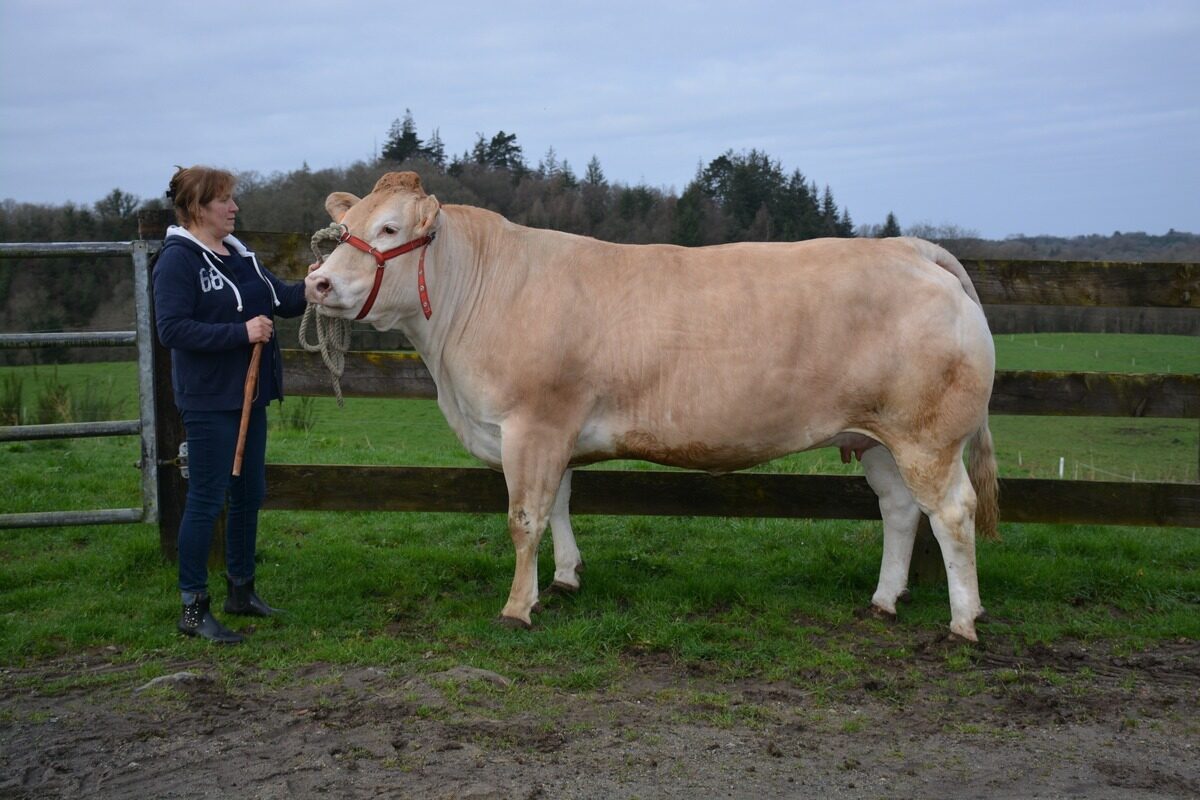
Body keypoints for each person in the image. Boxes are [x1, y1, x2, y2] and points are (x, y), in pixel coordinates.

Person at [153, 165, 308, 644]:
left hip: (250, 397)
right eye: (224, 200)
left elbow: (283, 300)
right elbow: (172, 329)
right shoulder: (178, 259)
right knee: (205, 499)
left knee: (248, 493)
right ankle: (193, 610)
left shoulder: (240, 255)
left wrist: (321, 282)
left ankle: (242, 591)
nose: (234, 207)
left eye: (232, 199)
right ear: (198, 207)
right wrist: (239, 333)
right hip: (209, 400)